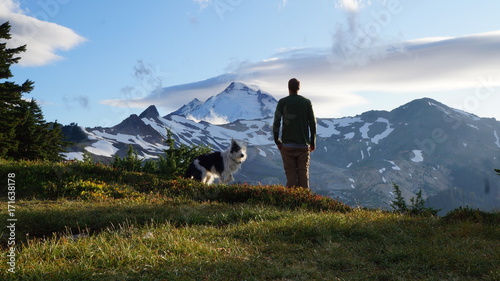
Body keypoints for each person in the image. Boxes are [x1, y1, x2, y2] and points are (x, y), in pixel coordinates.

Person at [273, 78, 316, 189]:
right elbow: (312, 123)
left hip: (287, 146)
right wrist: (312, 142)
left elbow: (276, 122)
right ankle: (305, 201)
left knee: (291, 176)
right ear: (299, 88)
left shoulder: (283, 102)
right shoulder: (306, 102)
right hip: (303, 145)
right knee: (303, 175)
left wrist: (277, 140)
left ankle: (290, 201)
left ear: (288, 88)